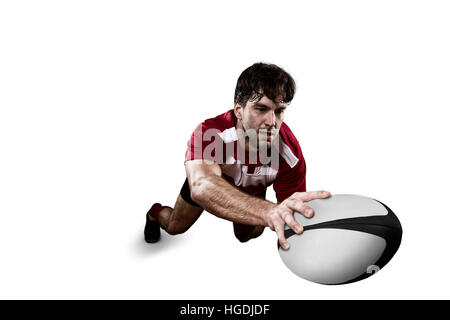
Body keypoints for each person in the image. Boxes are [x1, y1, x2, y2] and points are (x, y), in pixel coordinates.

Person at [144, 62, 331, 250]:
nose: (272, 122)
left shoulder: (289, 153)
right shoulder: (212, 132)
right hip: (212, 179)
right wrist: (268, 211)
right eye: (261, 109)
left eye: (279, 111)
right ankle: (154, 212)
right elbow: (202, 187)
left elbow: (291, 214)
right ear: (238, 110)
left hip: (252, 189)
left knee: (245, 236)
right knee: (175, 226)